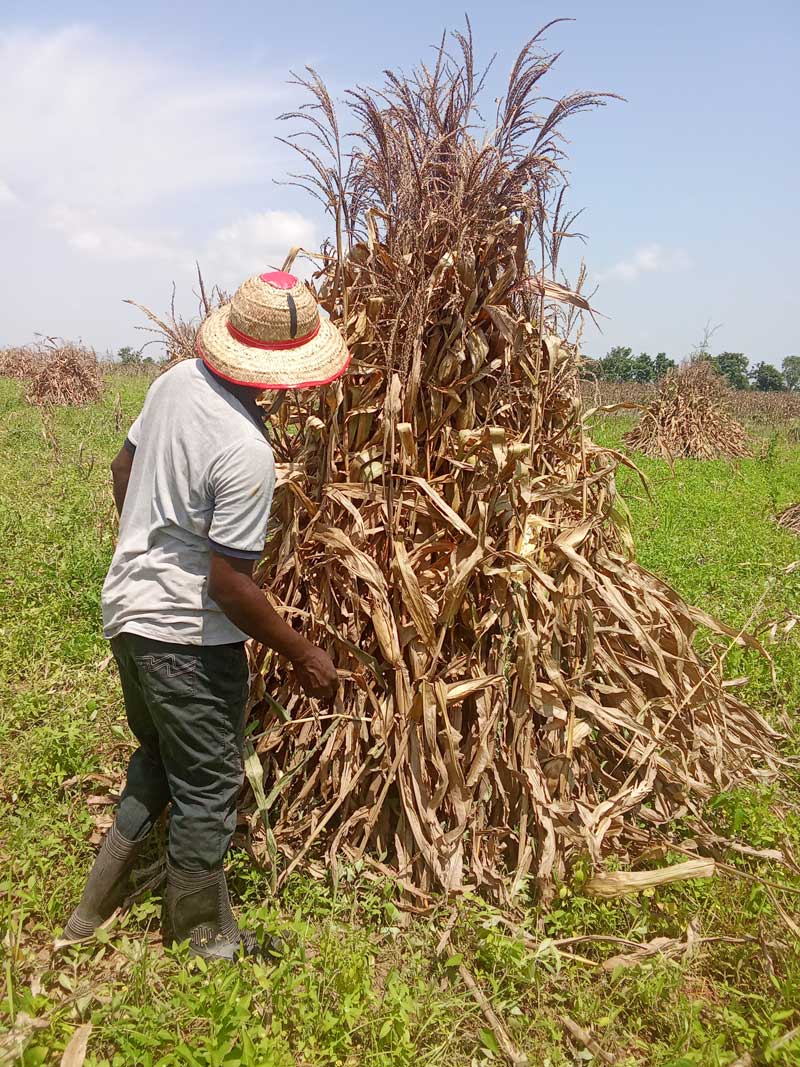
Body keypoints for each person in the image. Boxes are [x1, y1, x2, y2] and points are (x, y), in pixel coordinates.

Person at [58, 269, 350, 961]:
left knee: (160, 757)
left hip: (128, 612)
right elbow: (228, 586)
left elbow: (121, 470)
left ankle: (90, 911)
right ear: (286, 372)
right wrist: (305, 653)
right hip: (183, 640)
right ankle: (203, 939)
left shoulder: (174, 382)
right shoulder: (246, 451)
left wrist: (147, 544)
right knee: (211, 780)